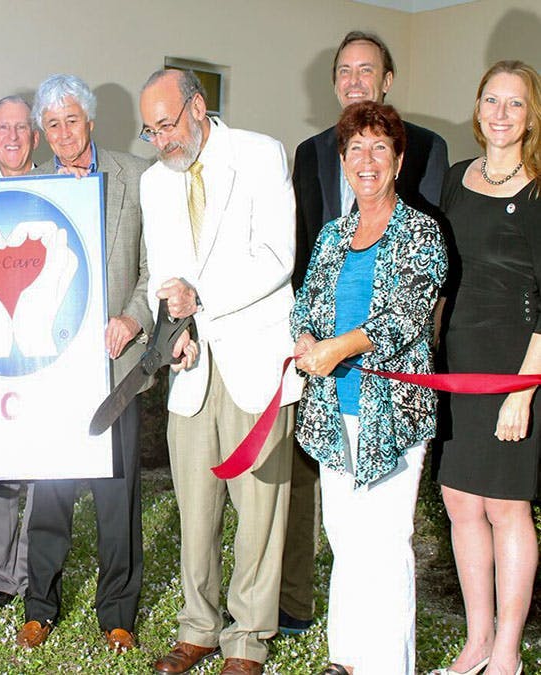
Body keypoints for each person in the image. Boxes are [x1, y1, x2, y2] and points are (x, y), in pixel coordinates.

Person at [284, 29, 449, 635]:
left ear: (399, 161)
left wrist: (336, 348)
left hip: (393, 408)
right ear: (343, 158)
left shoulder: (421, 232)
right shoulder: (331, 237)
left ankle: (386, 663)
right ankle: (346, 654)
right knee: (345, 539)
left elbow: (402, 316)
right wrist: (305, 341)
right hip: (334, 407)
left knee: (386, 543)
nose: (367, 162)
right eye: (357, 150)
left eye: (380, 150)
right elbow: (307, 301)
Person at [139, 69, 300, 675]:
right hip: (193, 368)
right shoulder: (157, 181)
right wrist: (174, 330)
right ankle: (199, 628)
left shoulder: (261, 155)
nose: (161, 140)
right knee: (195, 511)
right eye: (149, 130)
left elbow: (277, 257)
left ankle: (249, 638)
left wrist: (198, 299)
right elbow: (163, 272)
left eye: (168, 125)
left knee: (260, 511)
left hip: (255, 363)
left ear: (198, 107)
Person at [16, 74, 152, 653]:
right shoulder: (32, 188)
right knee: (50, 491)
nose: (64, 133)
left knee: (117, 495)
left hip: (115, 365)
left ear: (91, 122)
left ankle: (117, 612)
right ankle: (39, 605)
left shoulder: (136, 176)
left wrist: (131, 317)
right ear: (42, 133)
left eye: (73, 120)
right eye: (52, 125)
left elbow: (154, 267)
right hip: (55, 369)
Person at [434, 60, 541, 675]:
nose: (500, 114)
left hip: (514, 365)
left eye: (515, 104)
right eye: (491, 101)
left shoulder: (538, 189)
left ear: (530, 117)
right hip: (457, 365)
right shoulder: (455, 177)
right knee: (459, 500)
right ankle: (477, 641)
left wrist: (522, 392)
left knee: (505, 506)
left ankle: (507, 652)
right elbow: (442, 274)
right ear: (478, 108)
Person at [0, 95, 39, 612]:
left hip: (43, 349)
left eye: (22, 127)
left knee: (40, 465)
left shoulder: (53, 195)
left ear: (33, 138)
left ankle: (29, 571)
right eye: (3, 128)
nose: (13, 136)